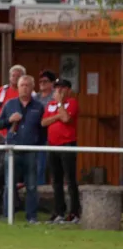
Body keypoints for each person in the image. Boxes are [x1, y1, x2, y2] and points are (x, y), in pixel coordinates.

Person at [0, 75, 45, 223]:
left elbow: (43, 130)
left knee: (31, 186)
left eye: (27, 85)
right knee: (9, 185)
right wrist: (9, 120)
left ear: (32, 88)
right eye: (22, 85)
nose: (24, 88)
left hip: (31, 151)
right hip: (12, 150)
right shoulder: (9, 104)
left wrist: (38, 145)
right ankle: (7, 216)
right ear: (17, 87)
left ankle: (31, 217)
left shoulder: (39, 107)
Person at [41, 78, 81, 224]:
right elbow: (44, 122)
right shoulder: (50, 105)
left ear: (68, 90)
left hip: (67, 144)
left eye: (62, 88)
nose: (59, 90)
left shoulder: (72, 103)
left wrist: (59, 104)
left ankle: (75, 213)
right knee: (56, 180)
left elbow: (66, 118)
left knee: (70, 179)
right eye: (57, 88)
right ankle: (59, 212)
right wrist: (57, 114)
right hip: (52, 145)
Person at [0, 65, 26, 137]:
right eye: (13, 75)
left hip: (22, 136)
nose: (15, 78)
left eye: (18, 76)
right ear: (9, 77)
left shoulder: (30, 93)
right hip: (0, 137)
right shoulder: (1, 92)